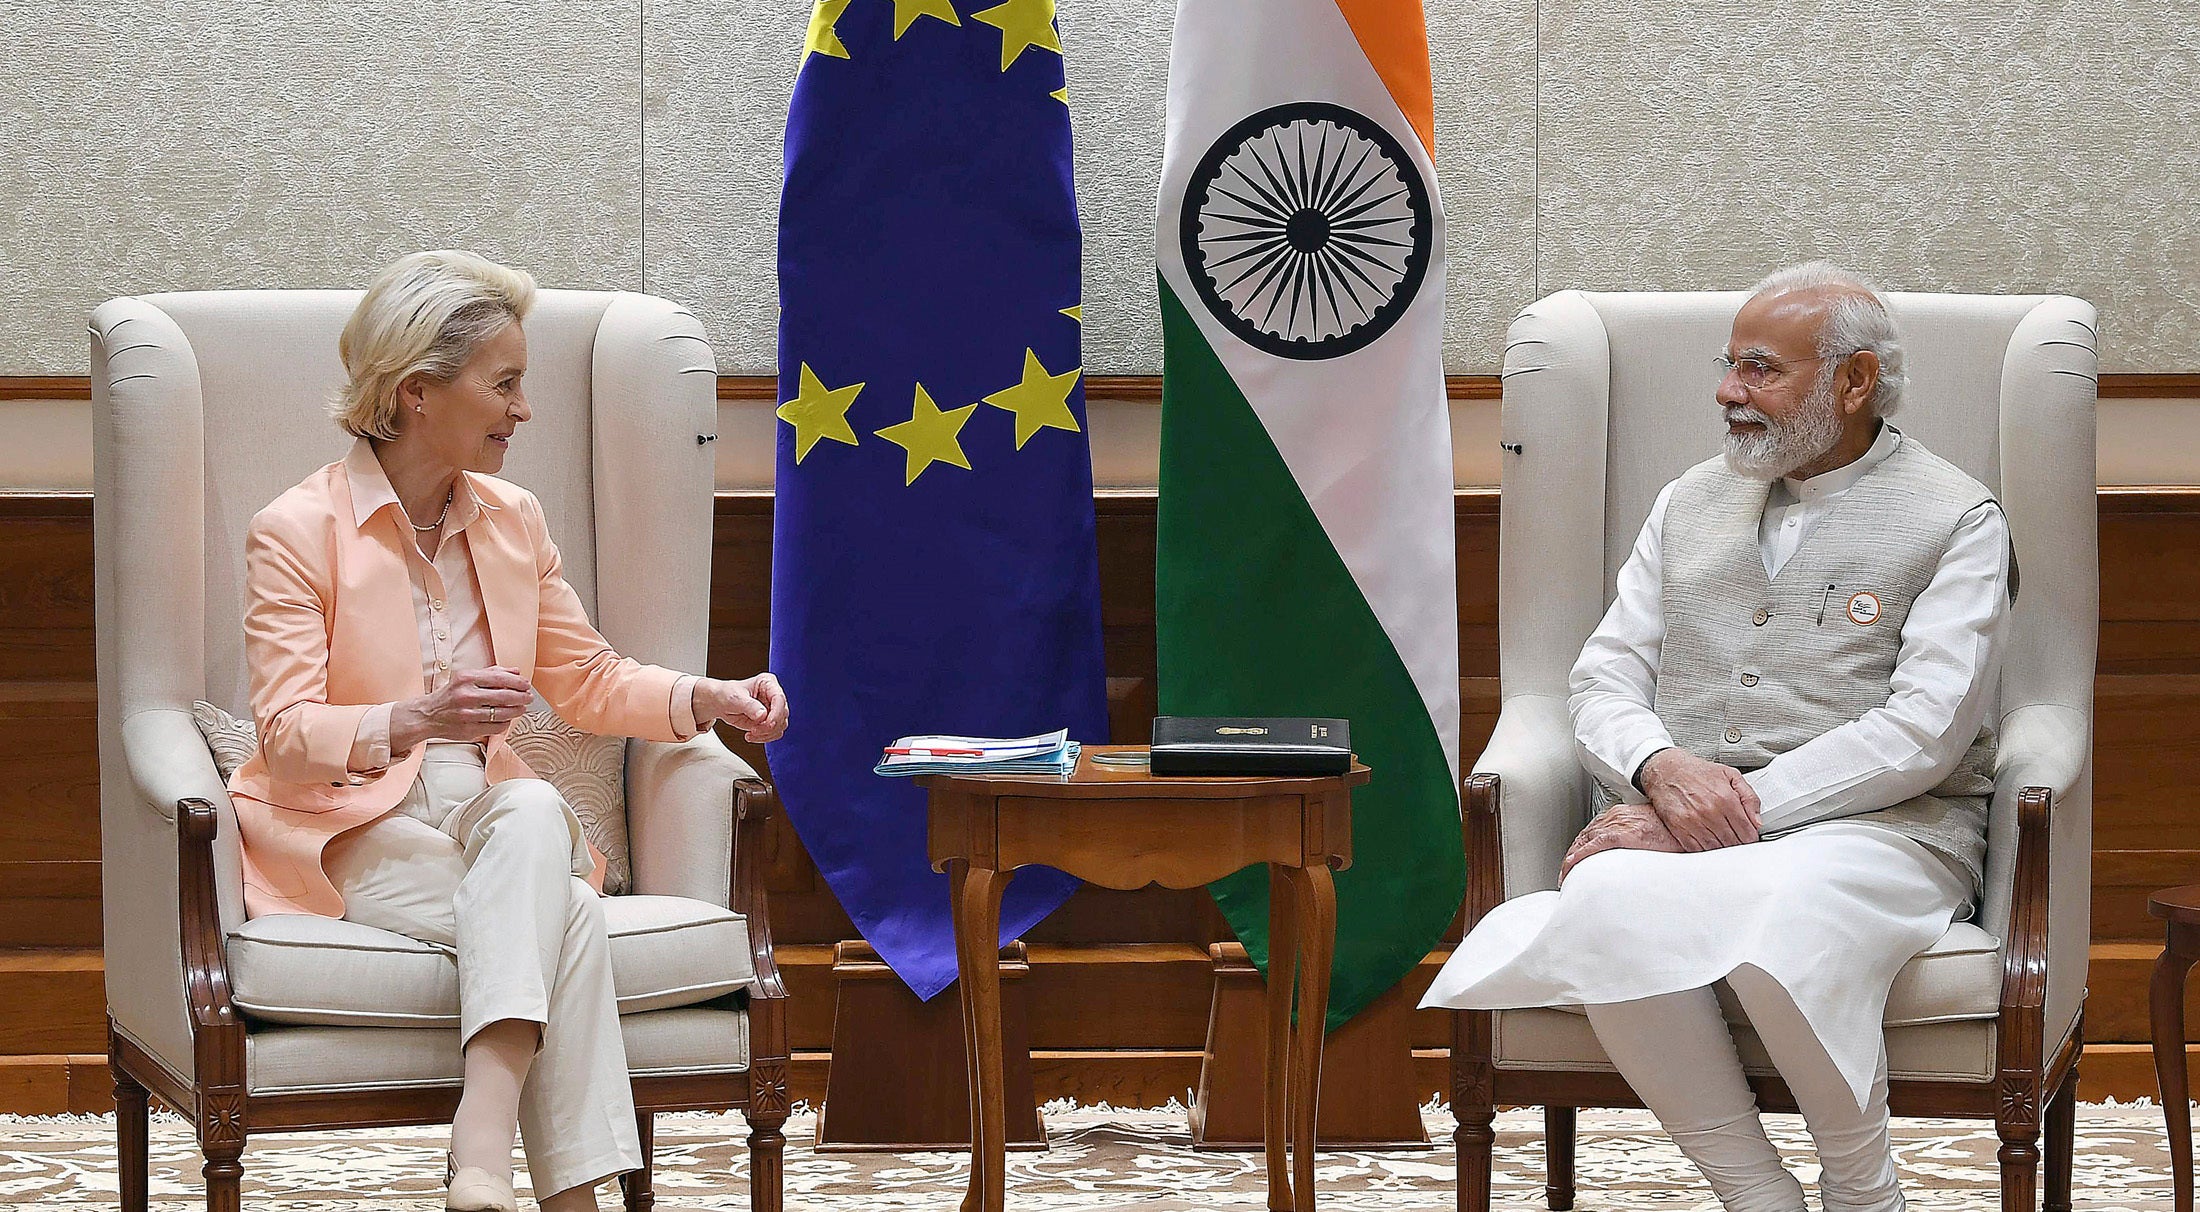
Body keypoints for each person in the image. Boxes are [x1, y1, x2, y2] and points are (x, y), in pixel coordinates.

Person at [1422, 261, 2013, 1212]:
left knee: (1783, 918)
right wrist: (1659, 768)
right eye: (1728, 366)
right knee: (1608, 893)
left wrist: (1724, 811)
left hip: (1888, 834)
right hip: (1685, 816)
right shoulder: (1686, 500)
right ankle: (1754, 1192)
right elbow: (1605, 673)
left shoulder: (1957, 517)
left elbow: (1924, 733)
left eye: (1758, 369)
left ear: (1853, 381)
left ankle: (1864, 1190)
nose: (1727, 392)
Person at [226, 250, 788, 1212]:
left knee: (528, 807)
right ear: (416, 394)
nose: (524, 409)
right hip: (345, 829)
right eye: (506, 383)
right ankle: (557, 1192)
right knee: (560, 919)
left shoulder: (515, 520)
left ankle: (479, 1146)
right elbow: (280, 735)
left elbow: (589, 678)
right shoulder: (295, 529)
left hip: (487, 810)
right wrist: (414, 720)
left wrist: (708, 696)